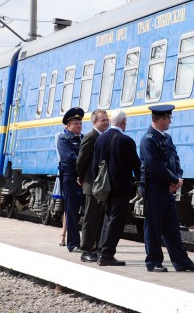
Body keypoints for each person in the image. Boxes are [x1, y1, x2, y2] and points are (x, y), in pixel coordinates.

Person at [139, 104, 194, 272]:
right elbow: (155, 166)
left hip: (168, 188)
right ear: (161, 120)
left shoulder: (166, 138)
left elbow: (175, 159)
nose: (170, 121)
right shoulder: (148, 140)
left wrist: (177, 178)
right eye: (169, 118)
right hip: (154, 188)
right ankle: (153, 262)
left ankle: (181, 261)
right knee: (153, 227)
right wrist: (174, 179)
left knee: (172, 227)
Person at [92, 109, 141, 266]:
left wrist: (97, 183)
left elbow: (95, 165)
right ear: (123, 122)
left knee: (107, 217)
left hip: (105, 186)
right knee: (116, 220)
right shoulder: (126, 141)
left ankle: (101, 252)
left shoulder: (100, 139)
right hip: (120, 187)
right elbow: (136, 165)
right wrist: (141, 183)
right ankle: (106, 254)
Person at [76, 109, 109, 262]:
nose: (106, 122)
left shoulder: (104, 137)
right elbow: (81, 161)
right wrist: (81, 178)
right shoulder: (91, 137)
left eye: (107, 120)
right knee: (90, 218)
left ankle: (95, 249)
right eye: (103, 120)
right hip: (91, 184)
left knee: (100, 219)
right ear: (95, 122)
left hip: (100, 185)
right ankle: (86, 250)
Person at [57, 107, 85, 253]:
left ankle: (88, 242)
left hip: (85, 178)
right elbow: (69, 158)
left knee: (88, 211)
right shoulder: (64, 139)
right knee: (72, 211)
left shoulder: (84, 138)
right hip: (71, 179)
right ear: (68, 126)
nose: (79, 126)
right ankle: (73, 243)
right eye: (75, 123)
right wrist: (85, 161)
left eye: (80, 123)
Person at [53, 131, 66, 246]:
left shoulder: (81, 137)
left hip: (77, 175)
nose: (79, 125)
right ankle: (63, 235)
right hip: (65, 174)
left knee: (69, 208)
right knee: (67, 207)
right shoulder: (60, 136)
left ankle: (65, 236)